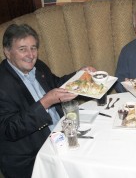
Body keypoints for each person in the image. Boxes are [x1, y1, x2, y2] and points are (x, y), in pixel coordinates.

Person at [0, 24, 96, 178]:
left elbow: (56, 84)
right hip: (33, 156)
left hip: (62, 135)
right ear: (7, 52)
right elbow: (9, 129)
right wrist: (45, 103)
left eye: (33, 48)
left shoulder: (38, 66)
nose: (30, 55)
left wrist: (79, 75)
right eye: (22, 49)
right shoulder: (3, 83)